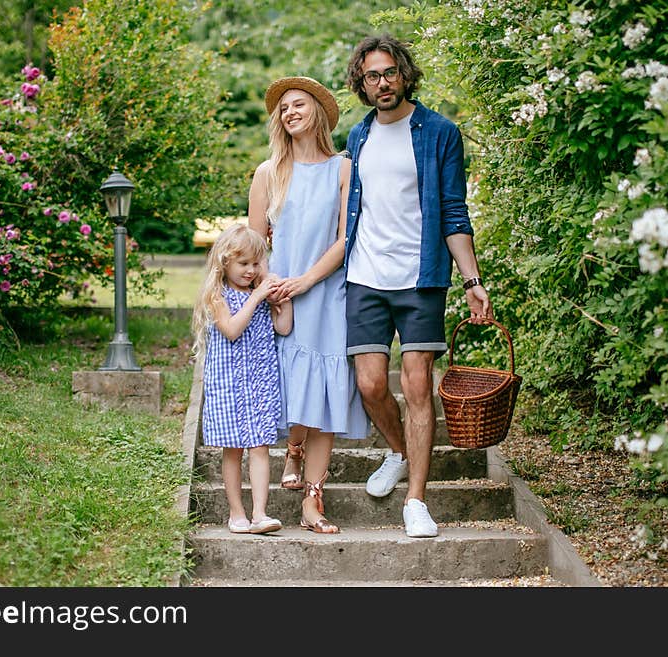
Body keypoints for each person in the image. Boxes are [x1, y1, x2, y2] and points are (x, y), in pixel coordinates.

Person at [343, 34, 492, 538]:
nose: (381, 83)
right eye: (371, 76)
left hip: (420, 277)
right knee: (369, 384)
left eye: (388, 73)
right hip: (365, 276)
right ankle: (400, 452)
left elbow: (454, 212)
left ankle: (416, 501)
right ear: (361, 84)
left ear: (403, 74)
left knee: (416, 386)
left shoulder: (439, 132)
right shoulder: (357, 137)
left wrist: (472, 280)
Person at [248, 76, 370, 534]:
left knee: (326, 391)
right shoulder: (268, 173)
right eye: (283, 108)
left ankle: (313, 502)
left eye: (298, 104)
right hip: (280, 298)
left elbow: (345, 238)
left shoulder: (343, 169)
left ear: (318, 110)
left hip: (326, 294)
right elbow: (253, 245)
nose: (289, 113)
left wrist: (305, 281)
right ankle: (291, 447)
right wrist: (272, 287)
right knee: (291, 385)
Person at [191, 222, 293, 535]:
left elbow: (284, 328)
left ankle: (260, 512)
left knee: (260, 446)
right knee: (232, 450)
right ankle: (237, 513)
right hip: (229, 385)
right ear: (225, 263)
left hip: (260, 382)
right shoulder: (217, 296)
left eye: (256, 264)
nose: (251, 271)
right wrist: (258, 295)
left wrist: (280, 299)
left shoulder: (260, 294)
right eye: (244, 264)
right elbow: (232, 330)